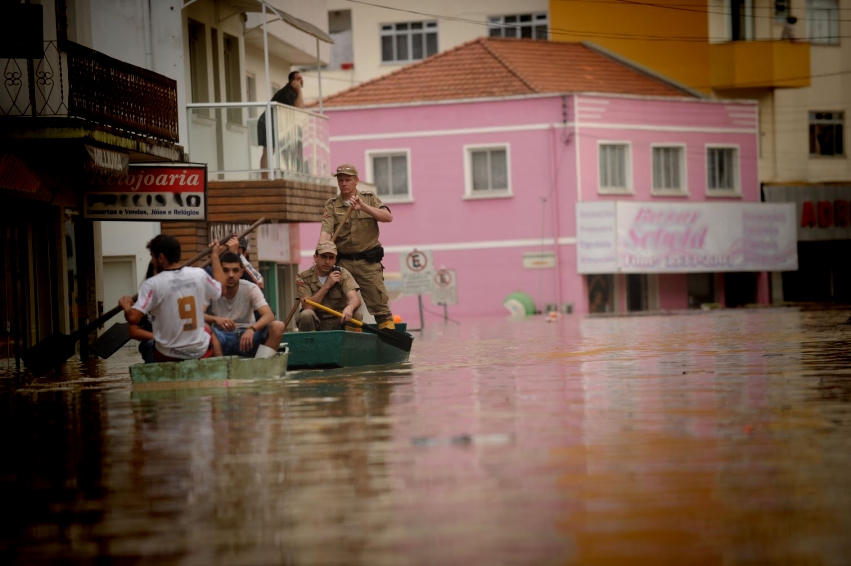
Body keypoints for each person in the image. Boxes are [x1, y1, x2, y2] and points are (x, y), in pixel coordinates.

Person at [119, 235, 227, 363]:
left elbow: (133, 318)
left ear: (161, 257)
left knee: (156, 345)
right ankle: (221, 369)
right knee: (208, 331)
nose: (152, 261)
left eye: (153, 257)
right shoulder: (199, 274)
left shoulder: (152, 284)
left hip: (167, 354)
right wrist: (215, 256)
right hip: (199, 351)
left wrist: (126, 305)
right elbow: (222, 290)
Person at [319, 163, 396, 329]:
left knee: (380, 306)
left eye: (348, 180)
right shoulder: (332, 205)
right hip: (343, 264)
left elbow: (388, 217)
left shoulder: (369, 198)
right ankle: (352, 342)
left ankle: (389, 338)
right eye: (341, 180)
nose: (344, 183)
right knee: (345, 307)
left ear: (356, 181)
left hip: (368, 263)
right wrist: (322, 251)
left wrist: (363, 207)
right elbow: (325, 233)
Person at [204, 251, 283, 358]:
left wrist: (252, 329)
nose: (230, 275)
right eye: (225, 270)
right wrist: (216, 319)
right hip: (221, 336)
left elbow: (269, 315)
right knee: (204, 328)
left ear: (241, 273)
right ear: (219, 271)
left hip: (249, 336)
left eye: (235, 270)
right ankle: (221, 369)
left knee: (278, 326)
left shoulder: (250, 288)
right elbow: (198, 314)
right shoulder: (212, 289)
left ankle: (262, 367)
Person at [295, 241, 362, 332]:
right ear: (315, 258)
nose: (327, 262)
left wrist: (350, 308)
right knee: (306, 315)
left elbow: (355, 299)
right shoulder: (303, 277)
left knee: (356, 314)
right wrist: (327, 285)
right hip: (316, 321)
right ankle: (309, 345)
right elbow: (307, 306)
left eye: (331, 258)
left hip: (339, 320)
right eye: (323, 257)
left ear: (335, 260)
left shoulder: (342, 273)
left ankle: (350, 345)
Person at [258, 71, 305, 173]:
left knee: (271, 151)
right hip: (268, 122)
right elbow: (299, 108)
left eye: (302, 78)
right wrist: (300, 90)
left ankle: (266, 176)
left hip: (274, 122)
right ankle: (265, 178)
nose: (302, 80)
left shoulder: (293, 92)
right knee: (268, 151)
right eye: (299, 78)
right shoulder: (288, 91)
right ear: (293, 82)